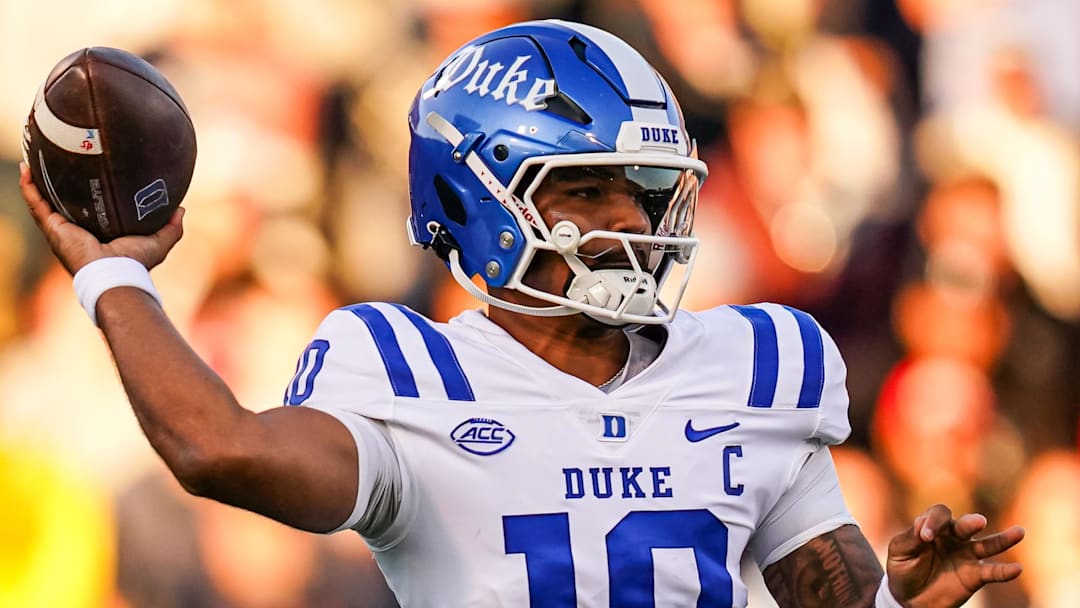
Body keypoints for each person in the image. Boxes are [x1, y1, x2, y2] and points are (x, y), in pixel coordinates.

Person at [22, 19, 1024, 608]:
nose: (628, 220)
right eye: (585, 190)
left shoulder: (755, 361)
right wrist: (114, 278)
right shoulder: (403, 372)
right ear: (476, 203)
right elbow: (219, 448)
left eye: (644, 190)